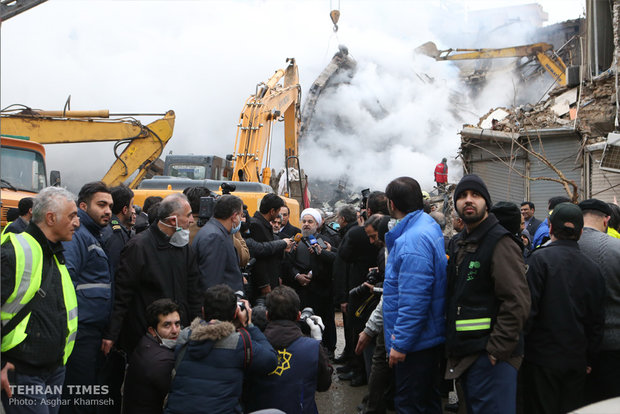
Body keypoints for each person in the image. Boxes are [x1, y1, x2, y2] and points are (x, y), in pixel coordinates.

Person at [445, 174, 530, 414]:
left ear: (486, 202)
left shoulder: (500, 242)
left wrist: (497, 349)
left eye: (475, 195)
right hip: (468, 352)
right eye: (461, 196)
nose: (468, 201)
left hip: (492, 357)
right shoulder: (461, 242)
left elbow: (517, 301)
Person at [1, 187, 79, 413]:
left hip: (54, 368)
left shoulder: (55, 253)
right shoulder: (13, 251)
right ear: (51, 218)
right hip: (22, 370)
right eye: (72, 216)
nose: (77, 223)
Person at [523, 202, 605, 413]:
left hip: (541, 360)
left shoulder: (538, 261)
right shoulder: (593, 270)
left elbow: (528, 313)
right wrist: (589, 358)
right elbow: (597, 321)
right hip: (576, 361)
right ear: (579, 233)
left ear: (550, 228)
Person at [102, 193, 202, 356]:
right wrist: (112, 334)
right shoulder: (139, 247)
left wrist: (197, 329)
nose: (191, 221)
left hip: (180, 335)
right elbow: (122, 294)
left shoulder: (184, 249)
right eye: (189, 215)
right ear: (173, 220)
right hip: (146, 338)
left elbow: (194, 291)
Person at [381, 177, 446, 413]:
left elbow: (414, 299)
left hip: (416, 345)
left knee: (410, 405)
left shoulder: (412, 240)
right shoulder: (427, 225)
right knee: (427, 401)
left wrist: (400, 344)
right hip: (426, 338)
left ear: (392, 204)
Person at [164, 284, 277, 414]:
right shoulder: (239, 342)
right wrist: (249, 324)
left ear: (203, 311)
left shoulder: (185, 336)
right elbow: (271, 361)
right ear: (236, 313)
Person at [61, 181, 114, 413]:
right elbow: (67, 281)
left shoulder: (94, 235)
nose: (108, 211)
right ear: (83, 205)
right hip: (79, 333)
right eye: (101, 204)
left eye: (110, 206)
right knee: (77, 398)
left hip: (90, 332)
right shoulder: (78, 236)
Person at [246, 286, 332, 413]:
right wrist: (318, 342)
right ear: (298, 316)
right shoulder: (312, 348)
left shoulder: (251, 347)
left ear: (267, 315)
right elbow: (324, 385)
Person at [577, 199, 620, 403]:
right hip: (613, 346)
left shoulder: (557, 248)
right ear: (606, 221)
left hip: (571, 347)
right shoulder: (617, 248)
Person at [283, 208, 337, 357]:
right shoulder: (296, 240)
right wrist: (297, 276)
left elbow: (328, 262)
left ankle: (327, 350)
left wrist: (313, 274)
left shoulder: (323, 241)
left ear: (317, 224)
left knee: (324, 320)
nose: (306, 224)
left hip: (320, 289)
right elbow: (288, 263)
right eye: (304, 221)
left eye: (310, 222)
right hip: (301, 289)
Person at [122, 299, 181, 414]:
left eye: (177, 324)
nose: (175, 331)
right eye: (167, 325)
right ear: (152, 331)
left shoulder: (145, 344)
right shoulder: (162, 361)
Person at [193, 195, 245, 292]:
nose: (241, 220)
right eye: (241, 215)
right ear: (234, 216)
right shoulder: (215, 237)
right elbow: (212, 281)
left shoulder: (218, 232)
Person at [249, 194, 293, 300]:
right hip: (263, 284)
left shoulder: (264, 224)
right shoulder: (257, 225)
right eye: (278, 211)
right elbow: (259, 257)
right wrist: (264, 284)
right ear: (272, 211)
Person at [102, 185, 134, 275]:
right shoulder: (116, 234)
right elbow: (115, 268)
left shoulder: (109, 227)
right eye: (131, 205)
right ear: (125, 209)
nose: (133, 210)